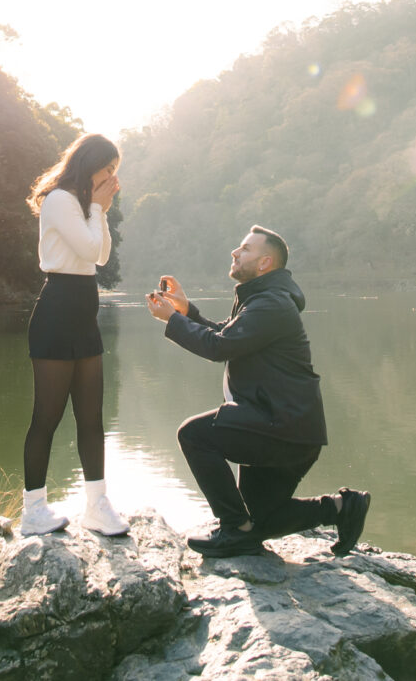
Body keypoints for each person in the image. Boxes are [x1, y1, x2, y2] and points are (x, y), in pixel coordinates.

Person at [144, 226, 370, 558]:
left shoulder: (271, 304)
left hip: (280, 427)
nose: (235, 252)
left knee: (193, 435)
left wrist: (173, 321)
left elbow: (219, 347)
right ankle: (342, 508)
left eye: (245, 249)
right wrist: (186, 311)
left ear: (265, 263)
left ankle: (235, 529)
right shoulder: (263, 298)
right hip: (283, 427)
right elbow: (227, 336)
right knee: (261, 519)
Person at [18, 132, 129, 537]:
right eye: (108, 168)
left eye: (115, 170)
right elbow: (86, 250)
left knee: (91, 418)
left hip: (84, 315)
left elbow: (101, 256)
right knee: (46, 418)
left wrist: (100, 210)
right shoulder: (60, 200)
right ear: (90, 163)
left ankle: (97, 506)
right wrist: (97, 208)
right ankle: (33, 510)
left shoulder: (85, 205)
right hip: (57, 312)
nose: (111, 177)